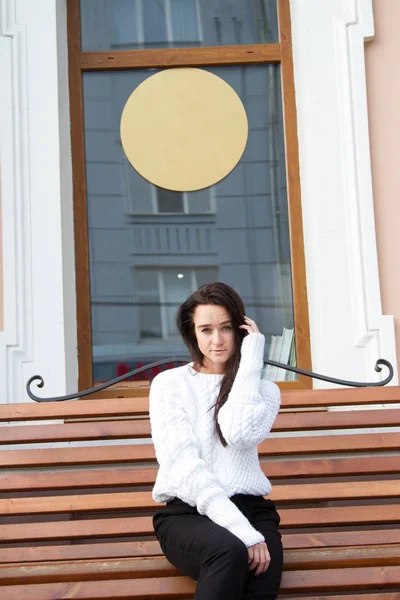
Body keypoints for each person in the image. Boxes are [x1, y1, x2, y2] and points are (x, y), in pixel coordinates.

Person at [150, 282, 283, 600]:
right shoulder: (171, 385)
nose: (218, 340)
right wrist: (241, 531)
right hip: (188, 513)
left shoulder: (264, 391)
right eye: (206, 329)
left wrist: (250, 363)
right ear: (192, 332)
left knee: (259, 583)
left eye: (226, 328)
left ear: (241, 331)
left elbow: (238, 433)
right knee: (230, 551)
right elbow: (184, 467)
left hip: (252, 510)